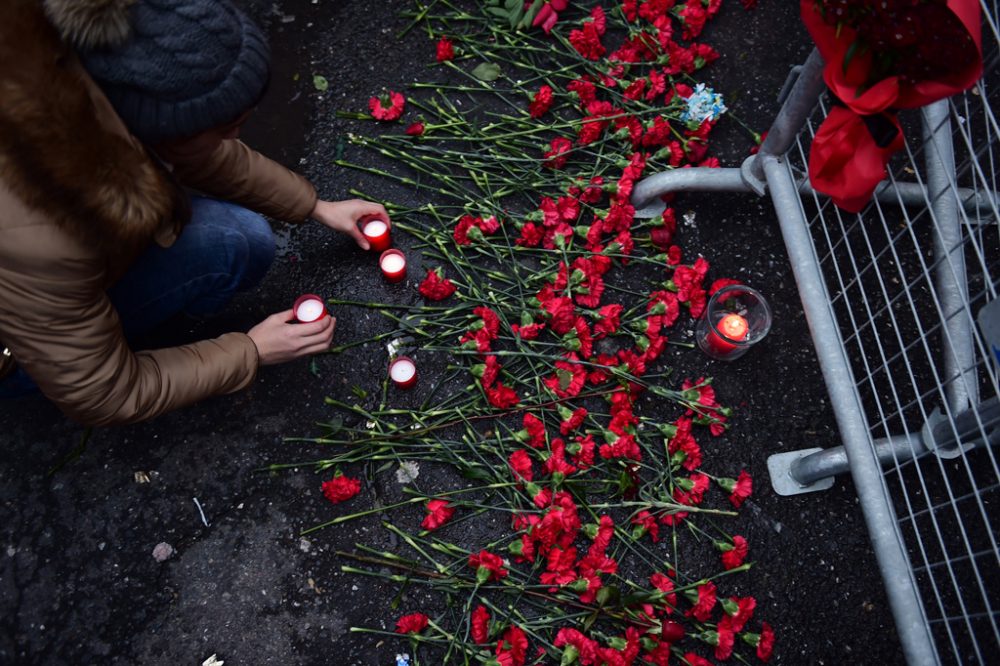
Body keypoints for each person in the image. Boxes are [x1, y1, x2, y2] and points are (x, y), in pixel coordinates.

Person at [0, 0, 390, 424]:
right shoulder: (43, 243)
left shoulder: (94, 72)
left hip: (56, 281)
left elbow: (198, 153)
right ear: (159, 133)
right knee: (234, 245)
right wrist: (250, 351)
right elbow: (106, 394)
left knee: (242, 241)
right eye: (225, 129)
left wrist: (314, 206)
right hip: (16, 343)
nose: (236, 136)